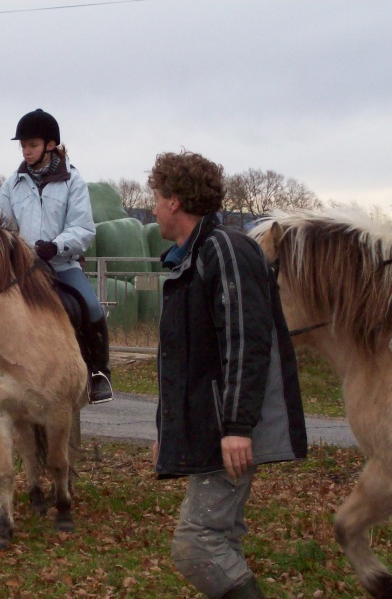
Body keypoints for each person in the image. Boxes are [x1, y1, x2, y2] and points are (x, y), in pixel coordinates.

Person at [149, 150, 307, 598]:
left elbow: (245, 341)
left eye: (157, 198)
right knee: (220, 539)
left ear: (175, 201)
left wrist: (237, 427)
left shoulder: (225, 249)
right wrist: (168, 428)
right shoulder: (191, 258)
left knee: (197, 543)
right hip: (211, 428)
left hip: (229, 430)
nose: (155, 208)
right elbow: (182, 361)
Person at [0, 108, 113, 404]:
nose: (26, 151)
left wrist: (56, 246)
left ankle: (99, 373)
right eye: (22, 145)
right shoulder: (12, 184)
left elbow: (83, 228)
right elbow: (0, 226)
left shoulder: (73, 181)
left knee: (92, 308)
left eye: (32, 145)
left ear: (50, 145)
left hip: (61, 264)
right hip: (20, 267)